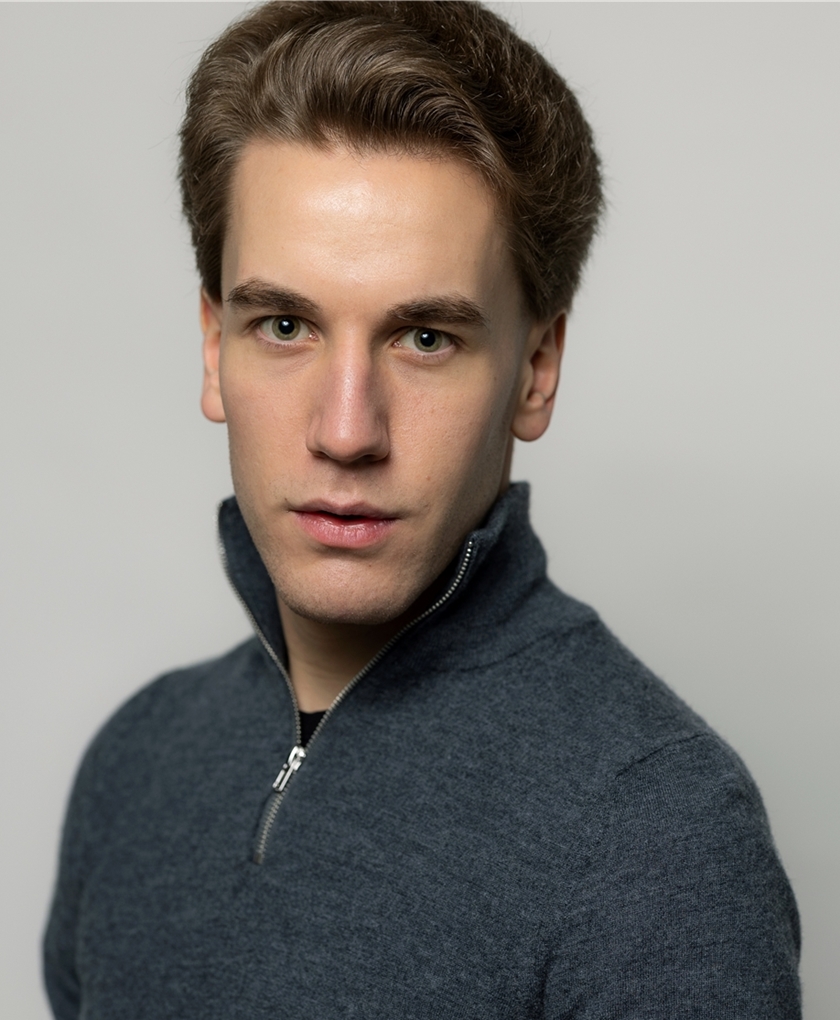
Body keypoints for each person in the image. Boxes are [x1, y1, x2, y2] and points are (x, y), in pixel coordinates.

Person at [43, 2, 801, 1017]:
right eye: (284, 325)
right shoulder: (134, 764)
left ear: (536, 370)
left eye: (426, 338)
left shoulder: (659, 831)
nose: (346, 430)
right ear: (214, 348)